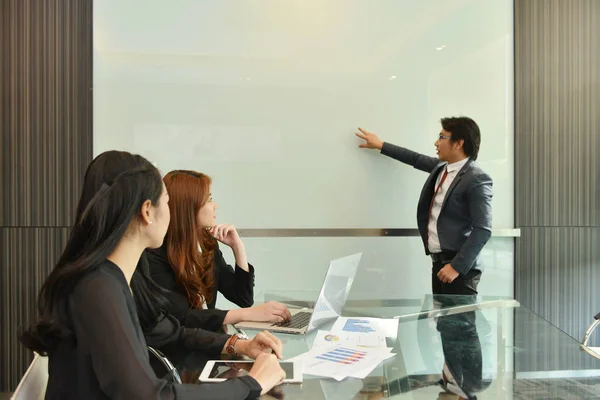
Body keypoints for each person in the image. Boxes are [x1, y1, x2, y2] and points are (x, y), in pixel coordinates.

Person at [19, 150, 286, 399]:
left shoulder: (125, 277)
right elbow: (148, 395)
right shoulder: (98, 287)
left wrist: (237, 344)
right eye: (167, 202)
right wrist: (251, 383)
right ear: (148, 211)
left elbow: (174, 332)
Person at [355, 117, 493, 295]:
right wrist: (381, 145)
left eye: (442, 137)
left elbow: (483, 229)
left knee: (460, 322)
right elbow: (415, 158)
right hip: (439, 263)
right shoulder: (442, 168)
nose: (436, 143)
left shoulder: (476, 178)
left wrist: (456, 267)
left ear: (458, 143)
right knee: (443, 321)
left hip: (459, 268)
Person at [146, 169, 291, 332]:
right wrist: (244, 314)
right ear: (189, 207)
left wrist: (238, 248)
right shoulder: (155, 254)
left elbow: (242, 298)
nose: (215, 206)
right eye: (209, 199)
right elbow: (182, 317)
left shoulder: (206, 242)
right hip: (185, 349)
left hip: (210, 340)